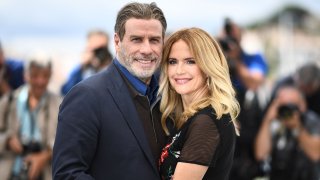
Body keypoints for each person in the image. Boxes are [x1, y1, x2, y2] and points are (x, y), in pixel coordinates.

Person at [52, 2, 167, 179]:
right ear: (117, 42)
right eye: (136, 39)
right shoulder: (86, 96)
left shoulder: (167, 97)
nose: (146, 49)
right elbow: (67, 174)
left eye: (154, 40)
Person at [158, 27, 240, 180]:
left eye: (190, 61)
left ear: (208, 66)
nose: (179, 70)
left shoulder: (206, 122)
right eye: (172, 62)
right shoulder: (187, 117)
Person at [218, 18, 268, 179]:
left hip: (248, 122)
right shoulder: (217, 59)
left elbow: (254, 82)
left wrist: (236, 59)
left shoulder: (253, 59)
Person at [0, 54, 61, 180]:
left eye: (45, 76)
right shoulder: (9, 101)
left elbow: (66, 140)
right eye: (35, 76)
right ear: (25, 76)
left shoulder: (58, 104)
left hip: (44, 173)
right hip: (11, 172)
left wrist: (44, 156)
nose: (40, 81)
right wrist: (7, 140)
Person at [255, 86, 320, 180]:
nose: (287, 111)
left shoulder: (311, 121)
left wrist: (297, 128)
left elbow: (315, 154)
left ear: (302, 105)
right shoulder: (275, 122)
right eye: (283, 106)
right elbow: (261, 154)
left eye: (291, 105)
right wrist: (267, 120)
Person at [60, 30, 113, 95]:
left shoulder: (114, 68)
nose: (99, 54)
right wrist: (82, 66)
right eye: (95, 50)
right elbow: (66, 92)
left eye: (101, 49)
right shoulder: (81, 70)